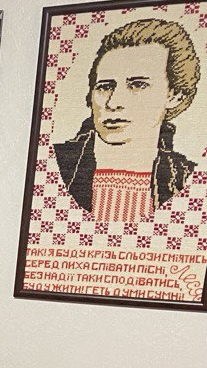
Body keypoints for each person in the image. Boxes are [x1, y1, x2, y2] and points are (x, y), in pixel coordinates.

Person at [53, 18, 200, 219]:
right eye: (105, 87)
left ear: (175, 96)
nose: (114, 102)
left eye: (138, 85)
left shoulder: (186, 178)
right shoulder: (58, 163)